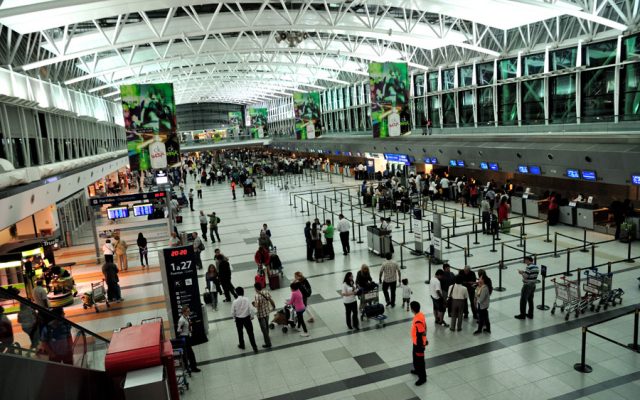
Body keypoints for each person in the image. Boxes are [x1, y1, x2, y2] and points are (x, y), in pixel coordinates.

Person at [231, 287, 259, 352]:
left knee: (240, 333)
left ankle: (242, 345)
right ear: (243, 292)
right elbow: (251, 309)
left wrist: (234, 318)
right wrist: (252, 316)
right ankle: (254, 347)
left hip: (238, 319)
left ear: (236, 293)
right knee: (250, 333)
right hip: (247, 318)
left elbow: (232, 312)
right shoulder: (247, 299)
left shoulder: (235, 302)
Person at [176, 306, 201, 372]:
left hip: (188, 336)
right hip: (184, 338)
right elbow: (179, 330)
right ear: (184, 312)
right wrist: (184, 330)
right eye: (188, 311)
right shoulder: (181, 320)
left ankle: (189, 367)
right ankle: (193, 367)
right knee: (190, 353)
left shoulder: (187, 317)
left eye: (189, 311)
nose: (189, 312)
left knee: (188, 353)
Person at [409, 301, 428, 386]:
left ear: (412, 309)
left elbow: (422, 332)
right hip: (416, 342)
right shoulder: (420, 315)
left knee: (420, 361)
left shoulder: (417, 320)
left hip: (419, 344)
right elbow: (425, 326)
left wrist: (422, 343)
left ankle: (422, 378)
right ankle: (417, 370)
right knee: (415, 358)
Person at [253, 282, 275, 348]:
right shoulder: (266, 292)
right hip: (267, 312)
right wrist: (273, 306)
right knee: (266, 325)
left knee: (263, 329)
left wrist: (254, 304)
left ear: (256, 288)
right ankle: (267, 336)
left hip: (261, 314)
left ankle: (268, 343)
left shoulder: (257, 296)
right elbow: (270, 300)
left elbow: (258, 306)